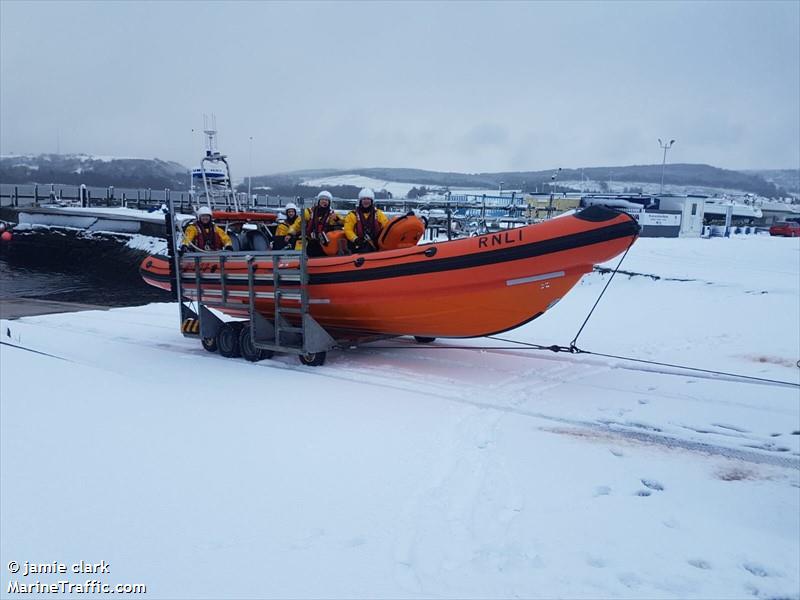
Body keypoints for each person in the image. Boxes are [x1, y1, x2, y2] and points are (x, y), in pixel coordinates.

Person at [344, 188, 389, 253]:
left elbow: (386, 226)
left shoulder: (378, 214)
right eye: (364, 199)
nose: (366, 201)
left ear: (372, 201)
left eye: (368, 199)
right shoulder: (352, 215)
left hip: (375, 243)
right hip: (359, 244)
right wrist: (355, 239)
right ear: (360, 201)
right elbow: (348, 229)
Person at [303, 190, 344, 256]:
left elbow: (344, 222)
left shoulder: (332, 214)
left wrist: (336, 219)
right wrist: (290, 233)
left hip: (325, 243)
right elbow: (298, 223)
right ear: (318, 201)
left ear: (329, 202)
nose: (324, 201)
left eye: (326, 200)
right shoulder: (309, 212)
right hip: (311, 241)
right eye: (322, 199)